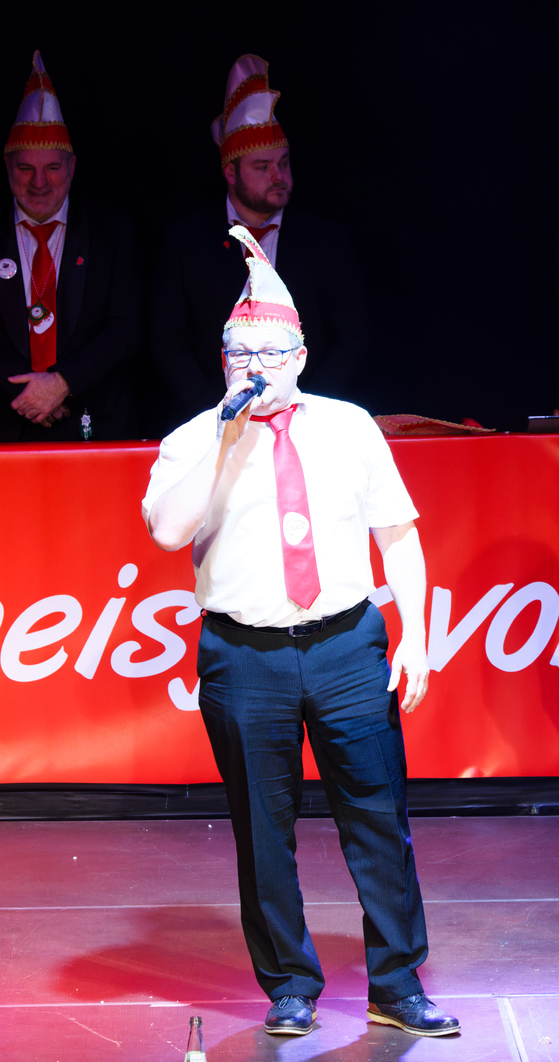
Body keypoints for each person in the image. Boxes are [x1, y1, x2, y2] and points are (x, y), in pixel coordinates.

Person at [141, 225, 456, 1039]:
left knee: (377, 818)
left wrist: (415, 637)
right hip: (245, 655)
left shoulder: (349, 427)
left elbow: (399, 536)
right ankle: (288, 985)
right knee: (263, 829)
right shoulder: (193, 439)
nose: (258, 368)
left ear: (302, 357)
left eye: (273, 355)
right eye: (242, 355)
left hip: (346, 643)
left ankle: (397, 982)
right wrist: (223, 438)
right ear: (223, 362)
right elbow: (168, 532)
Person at [151, 54, 371, 432]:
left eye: (283, 163)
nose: (278, 175)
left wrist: (303, 409)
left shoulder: (326, 241)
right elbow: (167, 340)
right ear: (230, 172)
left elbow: (350, 339)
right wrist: (221, 412)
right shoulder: (184, 241)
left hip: (306, 426)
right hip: (210, 424)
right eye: (262, 166)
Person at [0, 52, 142, 443]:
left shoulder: (112, 233)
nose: (39, 183)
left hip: (90, 422)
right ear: (8, 167)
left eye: (52, 168)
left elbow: (126, 330)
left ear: (72, 168)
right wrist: (29, 394)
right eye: (26, 168)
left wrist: (63, 383)